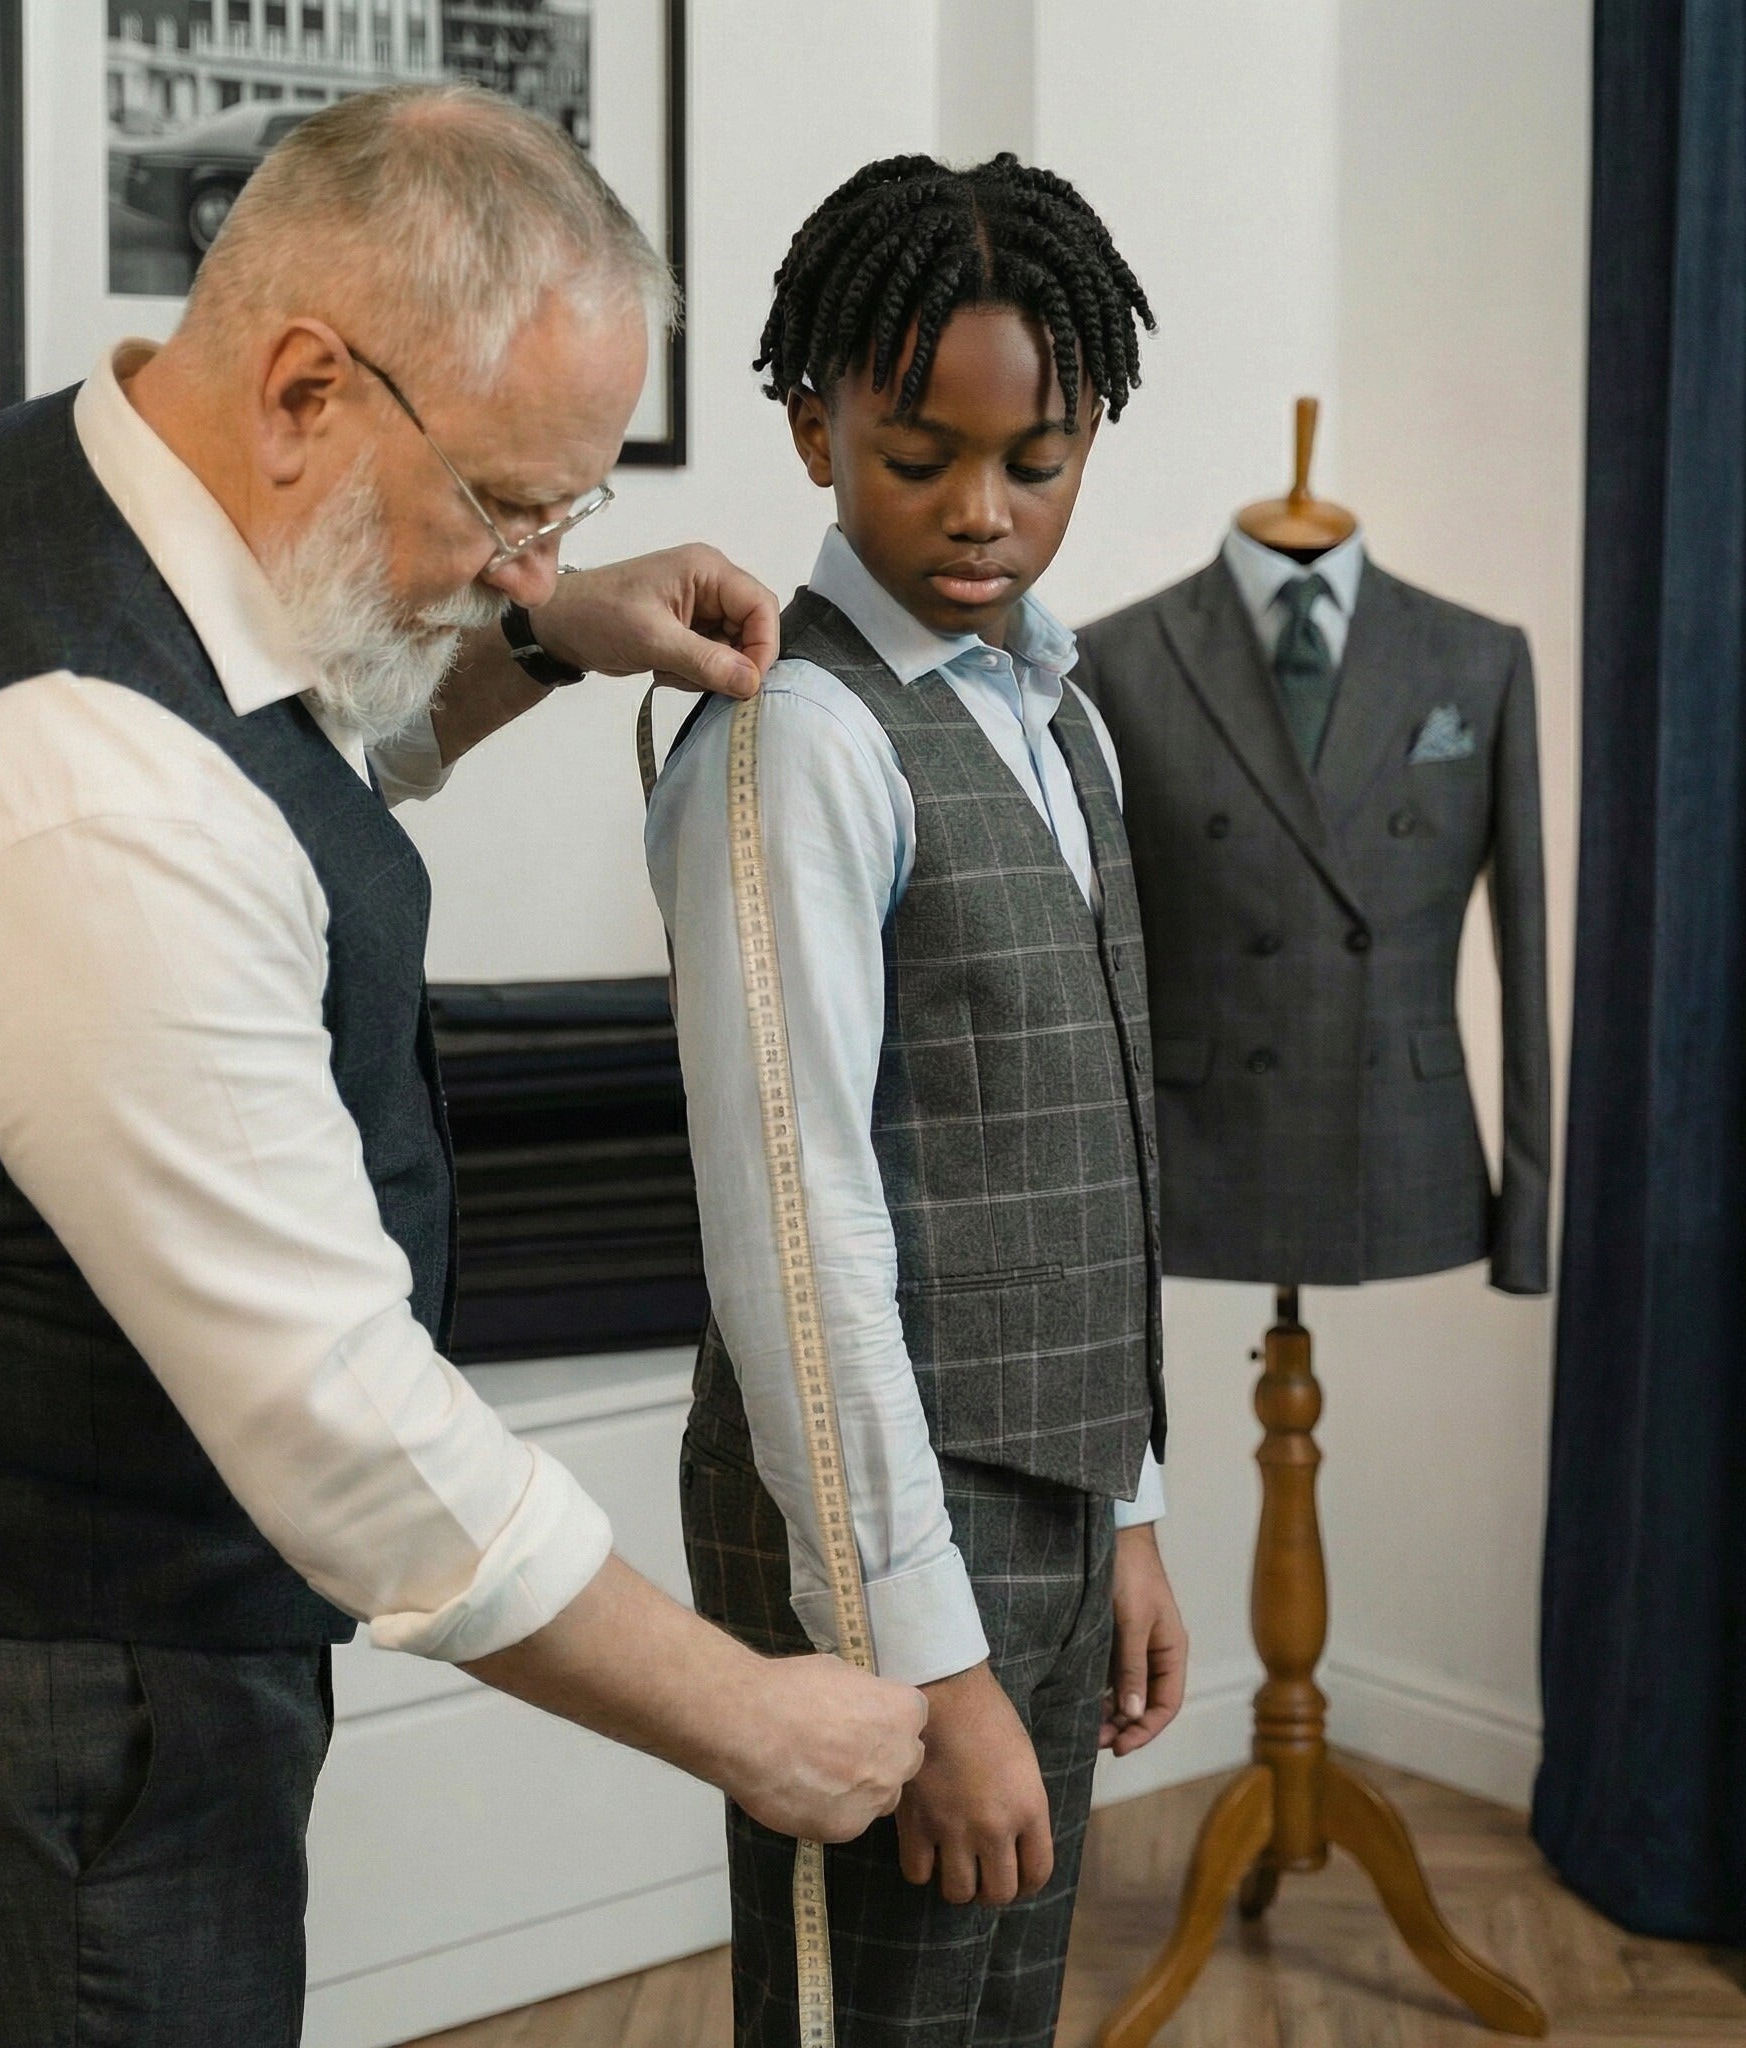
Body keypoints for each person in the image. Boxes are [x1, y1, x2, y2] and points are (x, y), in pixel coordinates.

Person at [0, 86, 925, 2048]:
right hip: (59, 1692)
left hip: (76, 1629)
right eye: (509, 506)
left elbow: (303, 739)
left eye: (567, 516)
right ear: (308, 386)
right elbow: (347, 1427)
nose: (529, 557)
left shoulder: (86, 487)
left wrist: (542, 641)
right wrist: (751, 1717)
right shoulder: (75, 795)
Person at [645, 154, 1191, 2046]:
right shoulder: (795, 741)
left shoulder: (1055, 706)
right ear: (812, 429)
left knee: (1000, 2010)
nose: (982, 514)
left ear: (1093, 426)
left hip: (1051, 1499)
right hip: (880, 1530)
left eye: (1035, 462)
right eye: (916, 455)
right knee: (873, 2018)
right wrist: (923, 1655)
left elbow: (1085, 1134)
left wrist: (1127, 1506)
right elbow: (797, 1236)